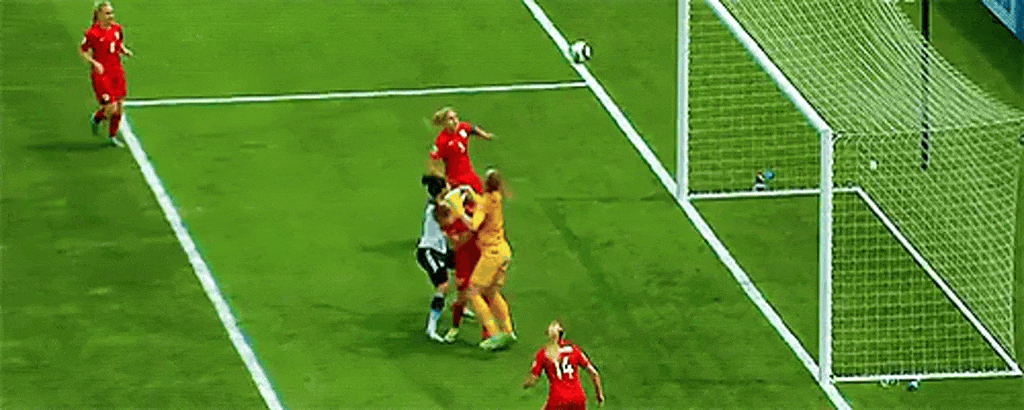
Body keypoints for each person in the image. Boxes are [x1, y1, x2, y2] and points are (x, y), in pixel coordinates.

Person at [466, 169, 517, 350]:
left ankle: (494, 333)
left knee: (473, 290)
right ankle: (508, 330)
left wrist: (460, 210)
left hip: (492, 253)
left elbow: (474, 225)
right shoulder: (497, 197)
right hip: (504, 251)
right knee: (492, 292)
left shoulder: (484, 203)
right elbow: (483, 203)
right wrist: (473, 196)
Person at [79, 1, 133, 147]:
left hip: (117, 71)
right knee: (111, 107)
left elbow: (117, 43)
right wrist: (95, 63)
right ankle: (97, 117)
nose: (111, 16)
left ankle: (112, 136)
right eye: (108, 13)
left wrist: (124, 50)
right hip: (102, 74)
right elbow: (83, 51)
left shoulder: (117, 28)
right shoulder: (92, 33)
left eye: (112, 12)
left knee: (119, 106)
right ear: (99, 15)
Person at [523, 320, 605, 410]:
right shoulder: (574, 349)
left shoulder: (543, 353)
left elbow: (533, 379)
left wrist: (526, 383)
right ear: (562, 334)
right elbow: (594, 373)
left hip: (558, 398)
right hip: (578, 397)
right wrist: (599, 394)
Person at [417, 175, 455, 342]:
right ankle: (431, 327)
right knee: (443, 285)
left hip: (441, 250)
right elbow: (450, 221)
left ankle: (460, 303)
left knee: (464, 267)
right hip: (429, 252)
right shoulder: (439, 208)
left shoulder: (437, 204)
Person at [427, 107, 493, 194]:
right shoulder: (441, 140)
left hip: (470, 174)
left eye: (456, 117)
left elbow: (472, 129)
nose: (455, 121)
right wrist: (444, 182)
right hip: (455, 180)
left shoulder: (462, 127)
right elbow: (434, 162)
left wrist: (486, 135)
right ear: (444, 122)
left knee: (481, 197)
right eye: (451, 119)